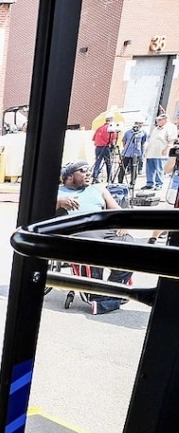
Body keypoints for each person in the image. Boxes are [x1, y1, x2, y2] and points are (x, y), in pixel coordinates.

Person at [55, 161, 132, 314]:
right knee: (92, 248)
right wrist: (58, 202)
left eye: (90, 170)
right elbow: (40, 214)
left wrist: (124, 224)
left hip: (105, 230)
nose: (89, 173)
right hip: (80, 231)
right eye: (83, 171)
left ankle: (110, 296)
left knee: (130, 247)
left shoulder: (98, 189)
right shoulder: (57, 192)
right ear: (69, 176)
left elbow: (117, 210)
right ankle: (104, 296)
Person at [142, 113, 177, 190]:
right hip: (151, 152)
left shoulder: (170, 127)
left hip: (160, 153)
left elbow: (171, 141)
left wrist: (166, 149)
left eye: (159, 120)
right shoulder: (156, 128)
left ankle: (159, 184)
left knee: (159, 169)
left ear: (164, 120)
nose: (157, 121)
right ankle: (149, 183)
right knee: (149, 169)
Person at [91, 114, 119, 184]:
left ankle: (95, 177)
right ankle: (109, 178)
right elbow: (113, 140)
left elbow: (94, 138)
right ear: (111, 120)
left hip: (98, 147)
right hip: (106, 148)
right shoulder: (112, 129)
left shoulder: (99, 128)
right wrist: (113, 146)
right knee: (108, 163)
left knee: (97, 163)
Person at [119, 119, 147, 187]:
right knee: (122, 167)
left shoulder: (143, 132)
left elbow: (143, 142)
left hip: (136, 153)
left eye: (140, 123)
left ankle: (132, 183)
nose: (139, 125)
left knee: (134, 168)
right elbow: (124, 142)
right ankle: (120, 182)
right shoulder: (128, 132)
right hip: (127, 152)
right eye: (137, 123)